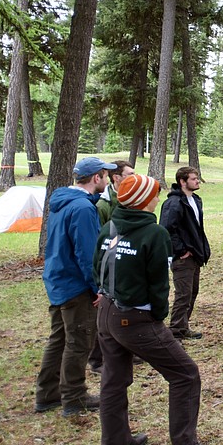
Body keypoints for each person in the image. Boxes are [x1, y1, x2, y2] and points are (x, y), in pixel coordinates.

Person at [94, 174, 208, 445]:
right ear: (144, 200)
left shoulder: (110, 226)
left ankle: (115, 443)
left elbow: (97, 266)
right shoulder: (154, 234)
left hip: (106, 311)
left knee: (113, 380)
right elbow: (159, 284)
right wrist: (157, 316)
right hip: (136, 318)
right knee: (185, 374)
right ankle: (185, 443)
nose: (157, 197)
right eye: (153, 194)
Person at [35, 156, 115, 417]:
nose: (108, 180)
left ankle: (47, 394)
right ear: (96, 178)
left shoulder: (63, 201)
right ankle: (74, 396)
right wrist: (97, 288)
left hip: (58, 279)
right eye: (105, 175)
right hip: (74, 284)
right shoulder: (82, 208)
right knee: (78, 341)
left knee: (59, 339)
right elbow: (86, 252)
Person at [89, 160, 135, 374]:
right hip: (108, 267)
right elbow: (99, 241)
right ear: (117, 178)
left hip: (125, 264)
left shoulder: (128, 199)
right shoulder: (104, 205)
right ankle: (97, 360)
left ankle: (126, 350)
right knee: (105, 315)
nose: (134, 177)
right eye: (129, 174)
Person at [160, 166, 211, 340]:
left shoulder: (195, 200)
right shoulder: (174, 203)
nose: (197, 181)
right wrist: (181, 250)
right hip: (183, 258)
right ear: (182, 181)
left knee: (192, 292)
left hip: (195, 255)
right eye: (193, 179)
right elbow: (166, 229)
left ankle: (183, 326)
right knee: (183, 294)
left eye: (197, 178)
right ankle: (175, 332)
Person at [96, 160, 135, 226]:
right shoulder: (103, 205)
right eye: (131, 174)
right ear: (116, 178)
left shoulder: (138, 198)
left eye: (135, 174)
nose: (135, 178)